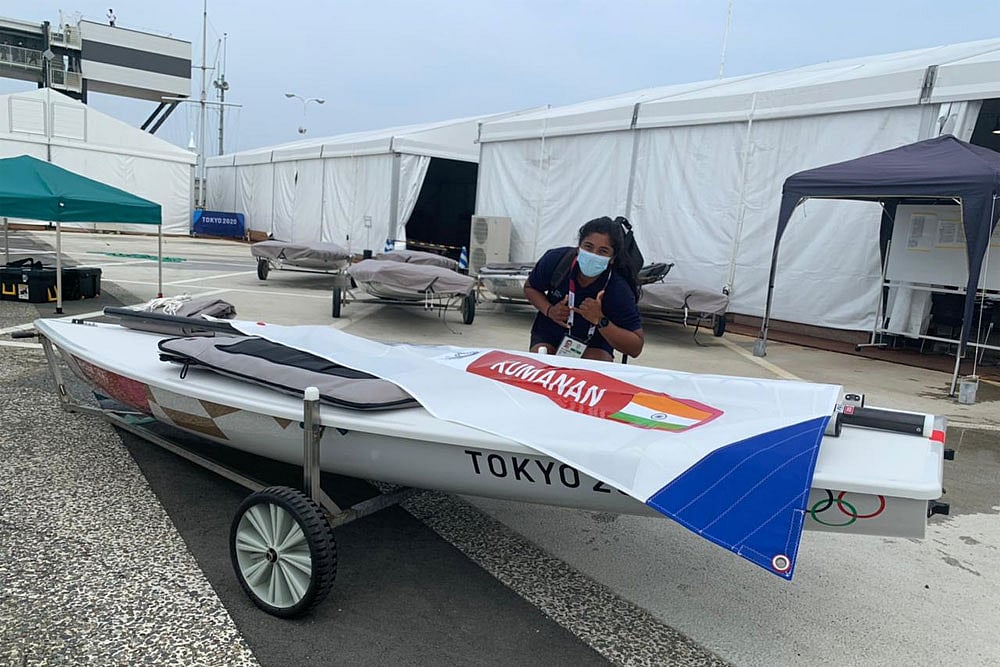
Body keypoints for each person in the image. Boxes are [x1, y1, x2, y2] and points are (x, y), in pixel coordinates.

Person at [523, 216, 644, 362]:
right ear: (579, 247)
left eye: (603, 251)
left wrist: (600, 320)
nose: (593, 254)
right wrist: (550, 310)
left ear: (612, 258)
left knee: (593, 370)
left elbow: (636, 347)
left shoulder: (619, 289)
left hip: (594, 342)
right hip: (549, 334)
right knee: (542, 365)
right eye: (588, 246)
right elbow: (530, 287)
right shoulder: (556, 260)